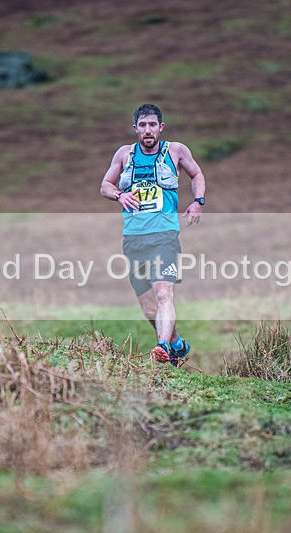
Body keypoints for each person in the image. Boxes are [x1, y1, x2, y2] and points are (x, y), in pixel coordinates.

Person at [100, 104, 206, 367]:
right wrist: (119, 194)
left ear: (161, 127)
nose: (147, 130)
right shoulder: (125, 155)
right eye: (142, 125)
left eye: (152, 125)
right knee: (149, 308)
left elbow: (197, 174)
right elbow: (105, 185)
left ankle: (161, 346)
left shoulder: (176, 151)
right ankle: (176, 344)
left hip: (164, 235)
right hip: (134, 238)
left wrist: (198, 201)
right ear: (136, 128)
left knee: (163, 293)